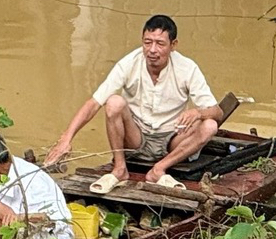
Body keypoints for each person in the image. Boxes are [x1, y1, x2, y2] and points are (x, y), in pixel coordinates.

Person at [44, 14, 222, 184]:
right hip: (136, 138)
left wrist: (198, 112)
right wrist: (66, 138)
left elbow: (217, 113)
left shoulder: (187, 68)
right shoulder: (129, 63)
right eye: (147, 42)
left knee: (209, 125)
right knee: (114, 102)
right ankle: (120, 168)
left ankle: (159, 169)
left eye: (160, 44)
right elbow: (94, 103)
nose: (152, 50)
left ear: (173, 45)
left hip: (172, 140)